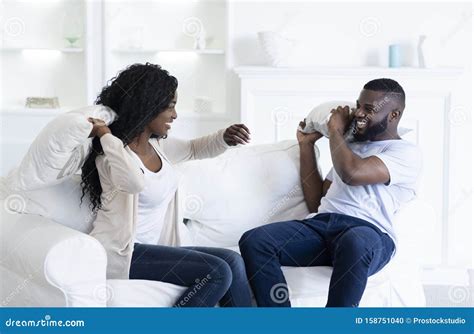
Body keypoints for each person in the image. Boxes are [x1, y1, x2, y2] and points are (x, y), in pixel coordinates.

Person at [239, 78, 422, 307]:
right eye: (358, 106)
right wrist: (306, 146)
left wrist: (336, 131)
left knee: (354, 241)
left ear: (394, 115)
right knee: (255, 240)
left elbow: (352, 174)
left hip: (369, 234)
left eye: (369, 109)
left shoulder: (405, 152)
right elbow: (317, 200)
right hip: (322, 227)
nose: (358, 114)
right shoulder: (349, 149)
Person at [81, 62, 252, 307]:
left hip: (154, 249)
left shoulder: (157, 147)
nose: (175, 115)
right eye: (170, 106)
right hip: (124, 252)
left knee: (233, 261)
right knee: (216, 272)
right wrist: (105, 135)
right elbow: (133, 182)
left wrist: (224, 137)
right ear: (148, 105)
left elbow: (194, 149)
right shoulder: (110, 156)